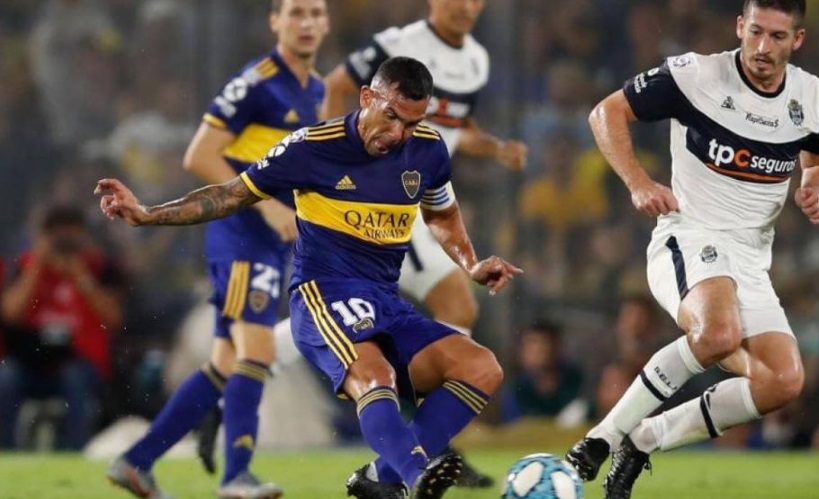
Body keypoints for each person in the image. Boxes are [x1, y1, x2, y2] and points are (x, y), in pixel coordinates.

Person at [97, 56, 521, 499]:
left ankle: (382, 478)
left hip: (386, 300)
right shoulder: (310, 147)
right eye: (391, 116)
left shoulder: (428, 149)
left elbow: (441, 213)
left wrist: (471, 263)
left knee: (480, 368)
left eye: (412, 123)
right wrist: (148, 214)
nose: (398, 134)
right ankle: (416, 477)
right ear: (367, 98)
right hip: (325, 295)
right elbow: (230, 195)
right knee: (373, 376)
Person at [564, 1, 819, 497]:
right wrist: (638, 182)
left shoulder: (812, 96)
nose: (762, 47)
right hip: (690, 236)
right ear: (740, 27)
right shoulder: (696, 75)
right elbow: (606, 112)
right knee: (717, 334)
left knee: (782, 381)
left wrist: (814, 188)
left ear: (797, 40)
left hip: (751, 259)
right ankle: (602, 437)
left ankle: (644, 440)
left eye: (777, 37)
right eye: (755, 32)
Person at [274, 0, 527, 489]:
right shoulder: (398, 44)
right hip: (375, 205)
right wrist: (347, 163)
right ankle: (414, 444)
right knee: (378, 337)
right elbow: (337, 86)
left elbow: (458, 130)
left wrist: (495, 148)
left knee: (458, 315)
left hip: (416, 200)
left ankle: (398, 454)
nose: (466, 6)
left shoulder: (476, 61)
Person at [104, 1, 329, 497]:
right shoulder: (256, 82)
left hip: (269, 239)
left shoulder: (314, 89)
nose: (307, 23)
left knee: (226, 362)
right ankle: (236, 477)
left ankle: (136, 461)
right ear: (275, 21)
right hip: (243, 233)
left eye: (316, 13)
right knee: (258, 351)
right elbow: (200, 155)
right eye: (296, 13)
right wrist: (268, 208)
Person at [0, 205, 124, 450]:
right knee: (5, 378)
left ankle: (76, 451)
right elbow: (10, 313)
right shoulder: (25, 266)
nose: (64, 245)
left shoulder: (99, 267)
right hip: (29, 364)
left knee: (75, 378)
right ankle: (5, 453)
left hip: (79, 362)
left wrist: (80, 276)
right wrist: (36, 267)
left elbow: (113, 318)